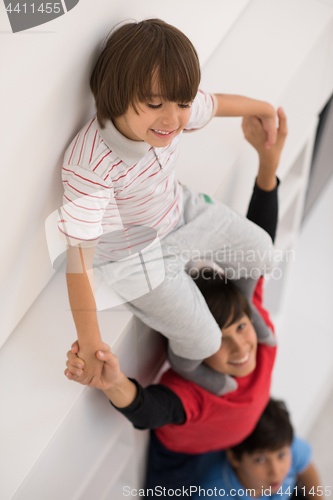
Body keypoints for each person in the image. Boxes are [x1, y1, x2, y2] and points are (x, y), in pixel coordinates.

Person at [64, 109, 288, 497]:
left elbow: (259, 243)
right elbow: (154, 410)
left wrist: (268, 164)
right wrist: (115, 382)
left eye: (239, 327)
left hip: (237, 436)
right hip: (186, 459)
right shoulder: (195, 390)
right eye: (220, 342)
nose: (239, 345)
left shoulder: (256, 332)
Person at [60, 18, 280, 388]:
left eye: (182, 103)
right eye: (154, 104)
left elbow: (217, 104)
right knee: (204, 340)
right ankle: (191, 368)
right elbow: (78, 259)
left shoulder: (175, 109)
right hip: (134, 258)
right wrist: (91, 340)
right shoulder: (90, 163)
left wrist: (264, 109)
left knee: (262, 251)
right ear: (117, 92)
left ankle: (241, 309)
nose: (172, 119)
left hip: (181, 212)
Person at [192, 399, 323, 500]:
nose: (275, 471)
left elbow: (306, 470)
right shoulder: (213, 493)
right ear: (234, 458)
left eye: (281, 455)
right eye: (260, 460)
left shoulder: (281, 443)